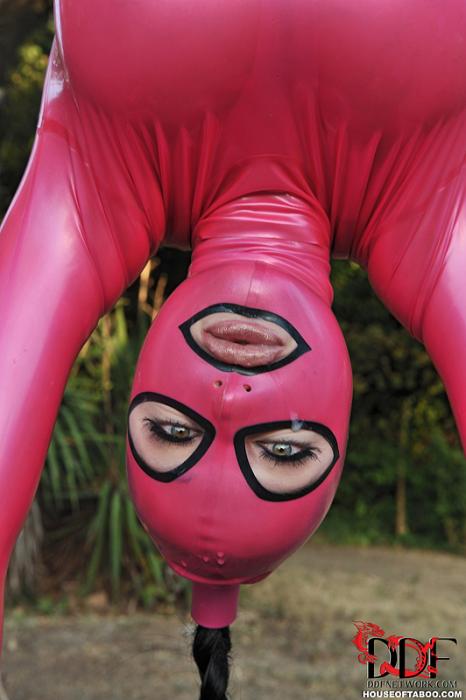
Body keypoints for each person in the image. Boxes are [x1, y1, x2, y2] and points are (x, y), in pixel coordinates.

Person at [0, 1, 464, 698]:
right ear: (337, 437)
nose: (229, 397)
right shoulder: (430, 209)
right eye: (282, 450)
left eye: (172, 433)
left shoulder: (100, 179)